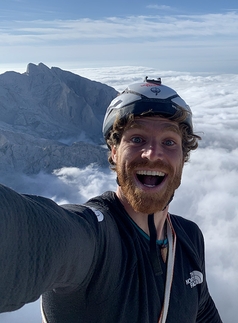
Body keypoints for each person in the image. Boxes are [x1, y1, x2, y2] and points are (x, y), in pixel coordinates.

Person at [0, 77, 223, 323]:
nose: (152, 153)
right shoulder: (94, 237)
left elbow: (203, 314)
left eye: (169, 142)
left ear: (183, 158)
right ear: (114, 152)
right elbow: (28, 236)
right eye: (137, 139)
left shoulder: (189, 238)